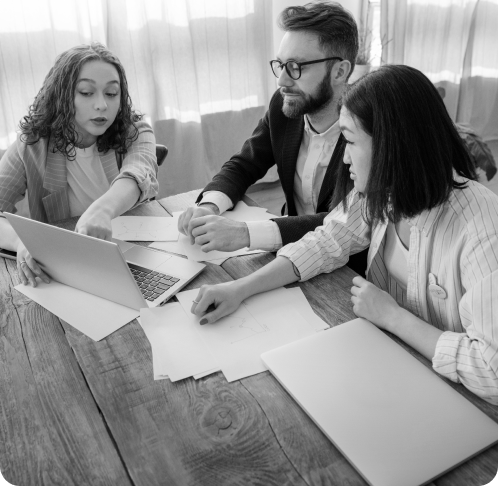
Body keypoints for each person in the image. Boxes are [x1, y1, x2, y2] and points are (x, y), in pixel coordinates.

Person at [191, 64, 498, 405]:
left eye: (350, 141)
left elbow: (492, 371)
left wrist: (394, 317)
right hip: (391, 364)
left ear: (390, 145)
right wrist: (239, 288)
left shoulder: (482, 225)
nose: (345, 159)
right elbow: (325, 242)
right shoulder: (384, 191)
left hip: (461, 398)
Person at [178, 0, 367, 274]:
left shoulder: (365, 132)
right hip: (287, 255)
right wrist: (209, 206)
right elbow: (245, 164)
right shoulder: (283, 106)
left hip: (347, 269)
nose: (282, 81)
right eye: (280, 64)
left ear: (340, 71)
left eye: (296, 67)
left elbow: (344, 223)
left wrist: (245, 233)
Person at [0, 42, 158, 287]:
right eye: (86, 92)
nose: (101, 105)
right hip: (66, 268)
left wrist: (102, 211)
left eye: (111, 93)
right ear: (61, 96)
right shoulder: (32, 144)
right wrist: (22, 242)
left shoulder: (136, 131)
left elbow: (138, 173)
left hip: (136, 256)